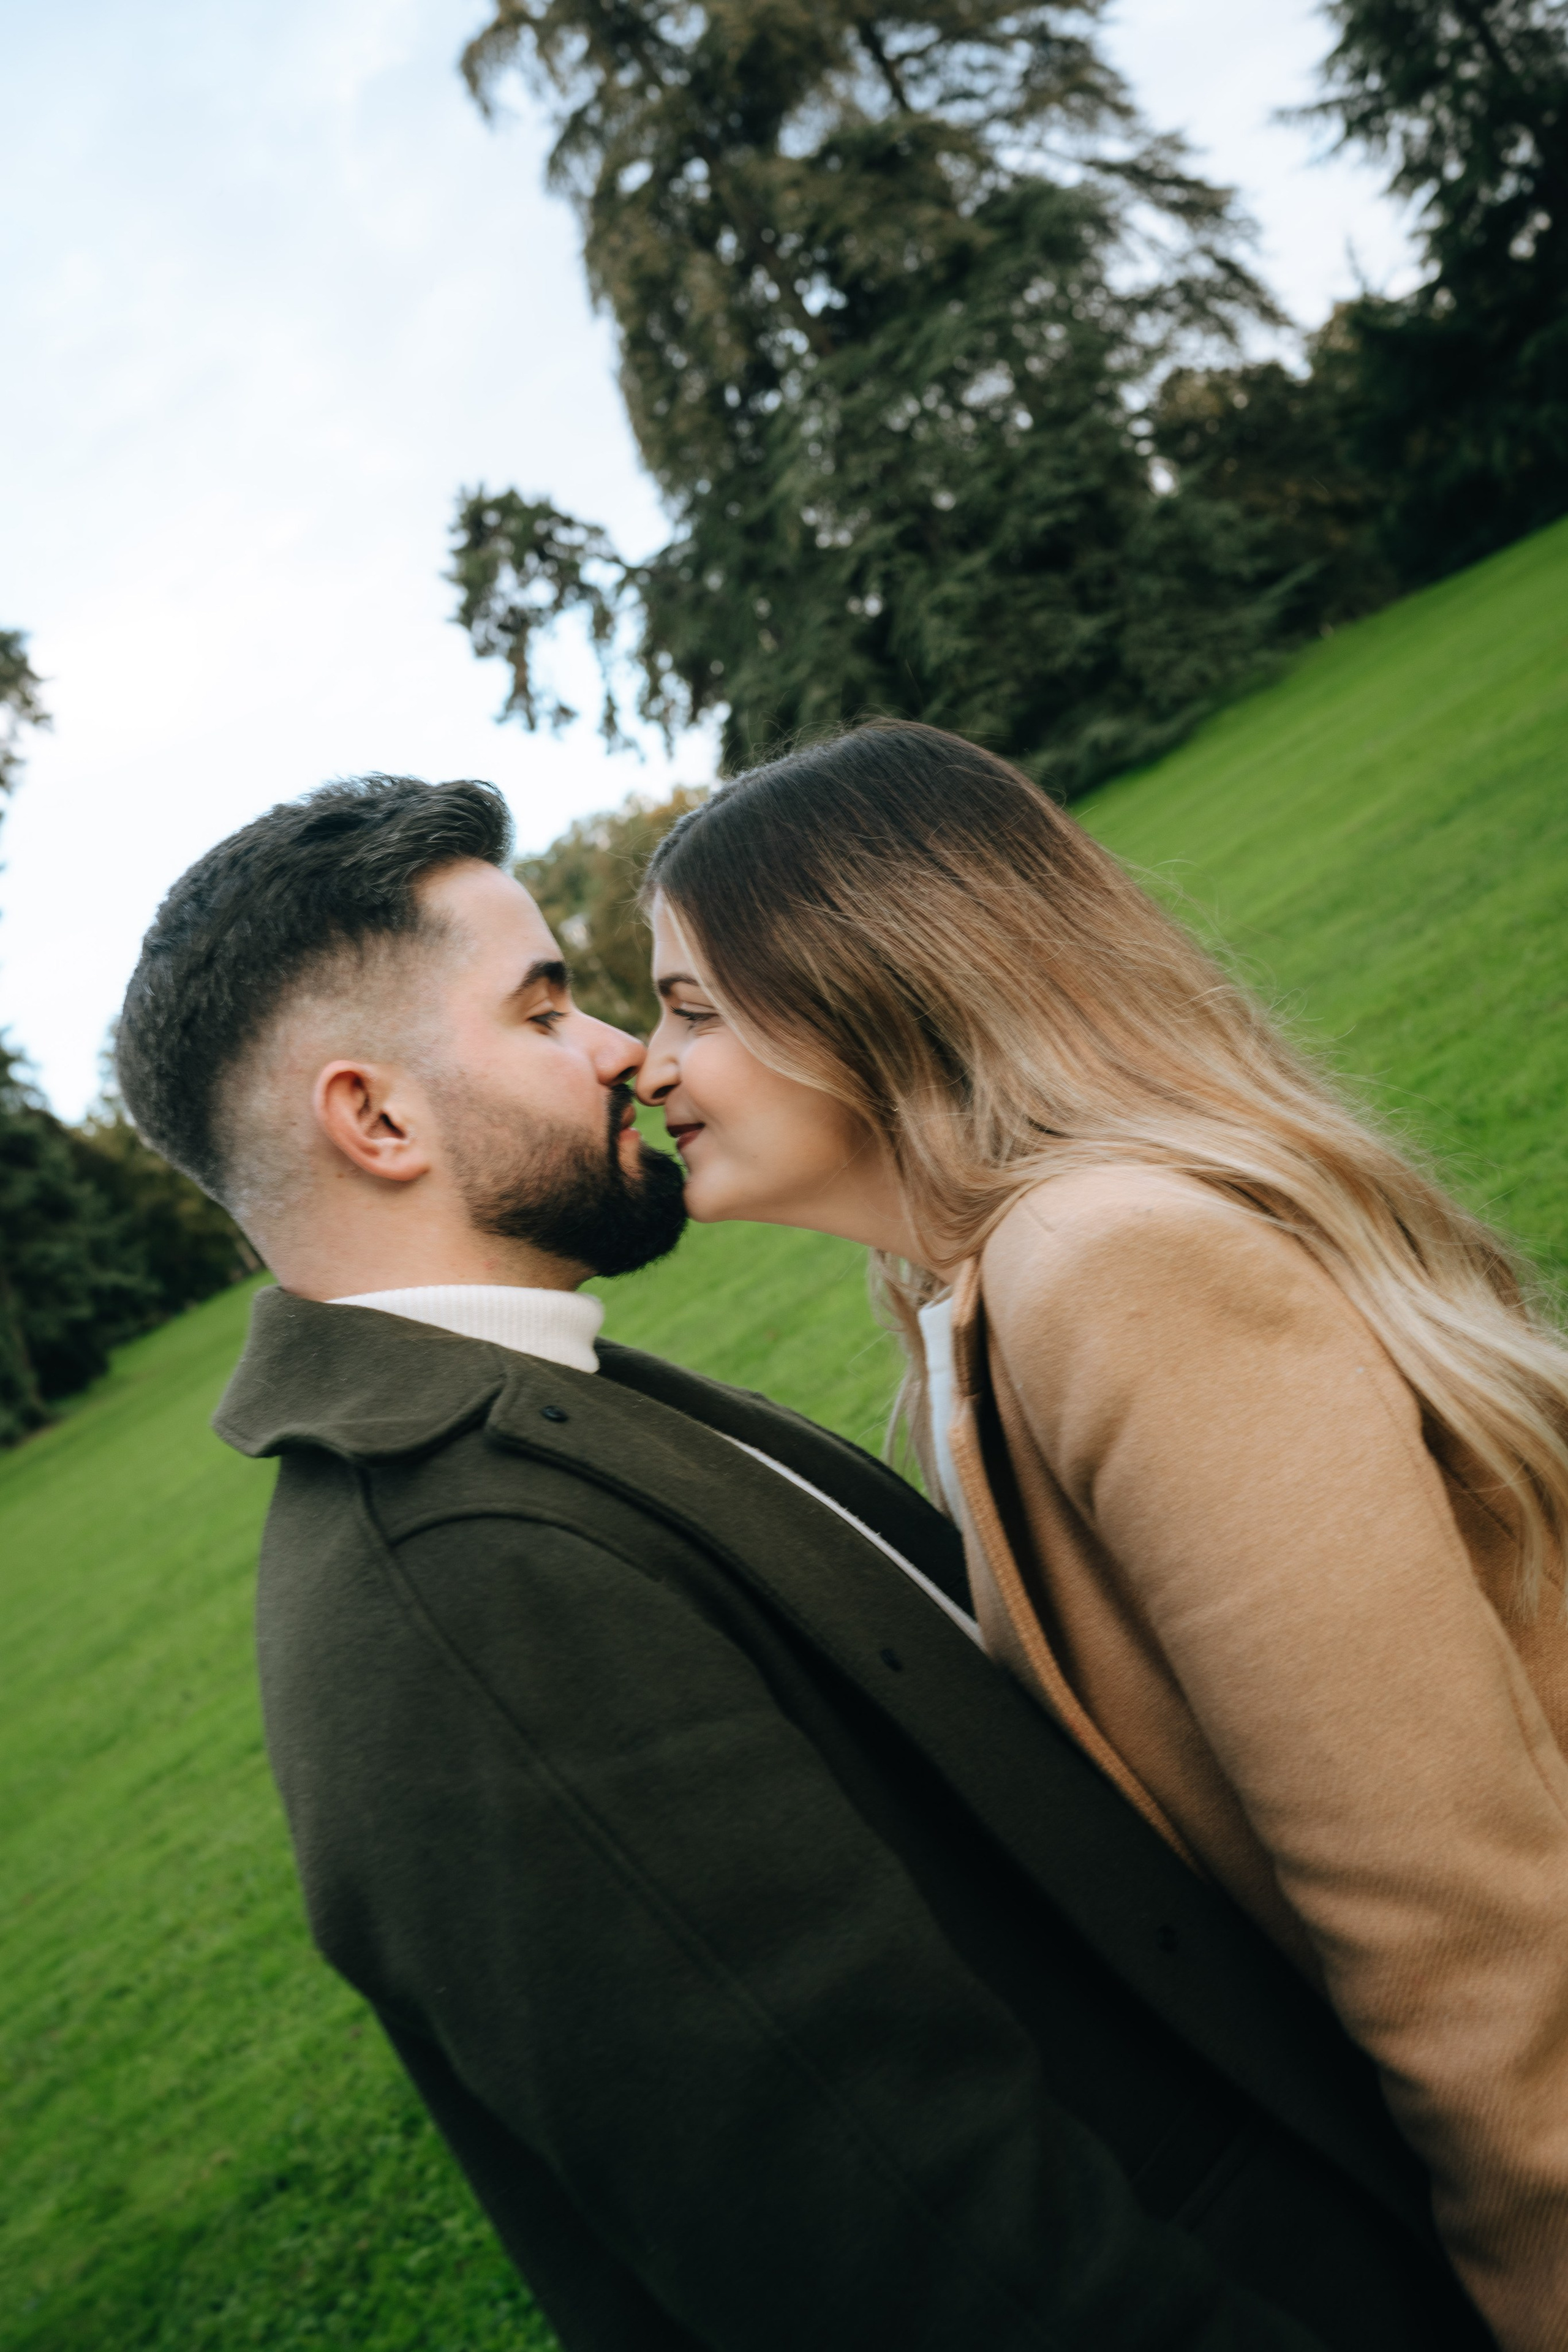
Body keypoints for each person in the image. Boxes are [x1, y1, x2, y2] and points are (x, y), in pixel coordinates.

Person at [115, 772, 1491, 2352]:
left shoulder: (538, 1403)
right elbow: (912, 2247)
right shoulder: (464, 1578)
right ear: (377, 1119)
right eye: (545, 1011)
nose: (620, 1050)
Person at [635, 717, 1568, 2352]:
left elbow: (1454, 1918)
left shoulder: (1103, 1266)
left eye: (691, 1008)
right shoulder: (980, 1309)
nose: (650, 1066)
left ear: (872, 986)